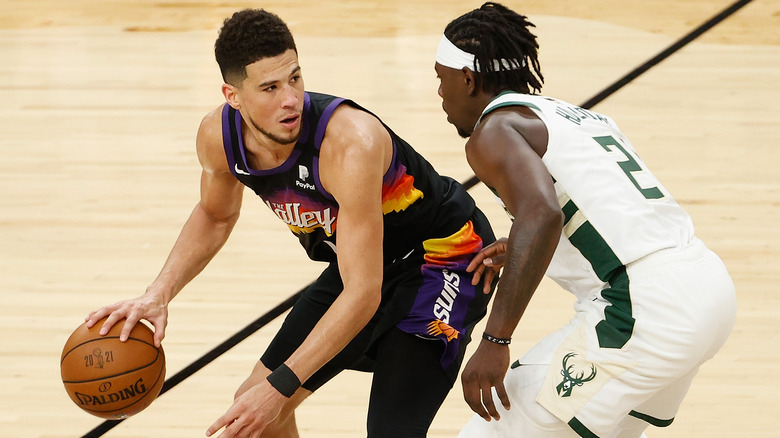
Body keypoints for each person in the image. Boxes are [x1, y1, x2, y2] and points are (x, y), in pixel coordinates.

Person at [85, 8, 498, 438]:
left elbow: (362, 294)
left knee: (388, 430)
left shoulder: (349, 143)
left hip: (445, 257)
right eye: (269, 87)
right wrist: (158, 293)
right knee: (252, 416)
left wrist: (282, 387)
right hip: (363, 262)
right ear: (233, 95)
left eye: (295, 78)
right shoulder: (218, 138)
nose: (291, 98)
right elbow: (214, 213)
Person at [433, 3, 737, 438]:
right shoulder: (576, 116)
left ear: (468, 79)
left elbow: (542, 213)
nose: (441, 96)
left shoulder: (494, 131)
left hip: (645, 307)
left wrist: (495, 339)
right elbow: (598, 207)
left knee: (491, 432)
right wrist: (524, 241)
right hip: (706, 287)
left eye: (441, 81)